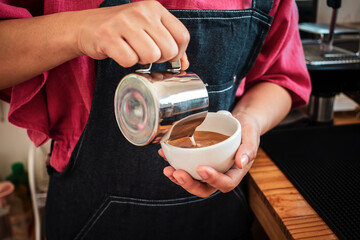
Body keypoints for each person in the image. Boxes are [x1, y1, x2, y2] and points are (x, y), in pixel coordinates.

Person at [0, 0, 311, 239]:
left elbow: (280, 77)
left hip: (218, 214)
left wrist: (249, 121)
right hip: (90, 214)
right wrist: (79, 30)